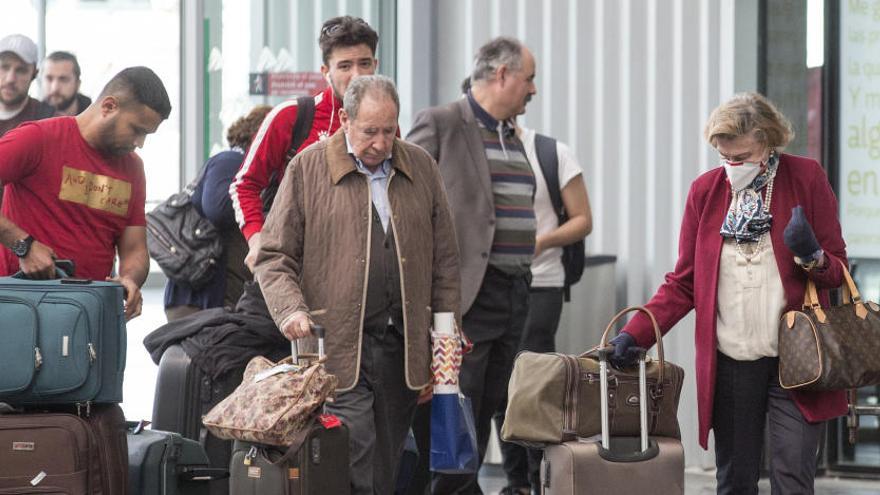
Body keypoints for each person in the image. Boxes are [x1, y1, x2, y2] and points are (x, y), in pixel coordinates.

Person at [610, 93, 848, 494]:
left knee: (793, 478)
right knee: (735, 481)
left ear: (769, 141)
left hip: (798, 359)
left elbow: (837, 272)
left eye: (742, 156)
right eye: (725, 157)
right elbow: (684, 282)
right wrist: (636, 334)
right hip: (732, 361)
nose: (732, 166)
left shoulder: (806, 178)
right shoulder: (705, 191)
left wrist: (812, 256)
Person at [254, 74, 460, 495]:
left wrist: (445, 337)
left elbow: (445, 262)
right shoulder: (308, 167)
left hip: (403, 349)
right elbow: (273, 256)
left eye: (389, 130)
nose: (382, 144)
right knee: (352, 451)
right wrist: (291, 309)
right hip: (337, 348)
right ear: (344, 119)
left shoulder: (420, 166)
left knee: (388, 460)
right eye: (370, 132)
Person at [407, 36, 538, 494]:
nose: (533, 90)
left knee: (489, 408)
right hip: (468, 298)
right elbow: (406, 206)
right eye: (529, 78)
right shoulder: (442, 123)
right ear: (501, 74)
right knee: (457, 411)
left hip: (514, 292)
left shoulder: (511, 135)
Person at [0, 66, 172, 320]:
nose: (140, 142)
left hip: (89, 316)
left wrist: (129, 279)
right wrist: (23, 245)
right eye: (137, 130)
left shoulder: (132, 168)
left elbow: (134, 248)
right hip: (22, 309)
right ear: (109, 106)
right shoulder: (37, 139)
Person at [231, 15, 381, 271]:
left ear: (375, 65)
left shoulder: (386, 124)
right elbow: (244, 185)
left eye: (364, 64)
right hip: (293, 268)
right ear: (326, 72)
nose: (356, 75)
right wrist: (257, 240)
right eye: (344, 66)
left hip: (362, 271)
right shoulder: (290, 116)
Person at [493, 124, 592, 495]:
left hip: (541, 282)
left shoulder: (551, 153)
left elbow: (584, 219)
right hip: (492, 287)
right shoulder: (473, 153)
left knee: (531, 384)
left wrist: (539, 242)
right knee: (498, 383)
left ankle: (539, 480)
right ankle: (516, 481)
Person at [164, 105, 272, 321]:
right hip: (199, 298)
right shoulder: (230, 161)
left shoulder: (234, 163)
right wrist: (257, 201)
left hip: (208, 296)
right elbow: (218, 208)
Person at [0, 33, 54, 137]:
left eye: (21, 70)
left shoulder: (47, 120)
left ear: (34, 74)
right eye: (4, 67)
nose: (10, 79)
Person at [42, 51, 92, 116]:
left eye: (63, 79)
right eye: (49, 79)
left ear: (77, 84)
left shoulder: (95, 117)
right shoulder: (32, 118)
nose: (55, 88)